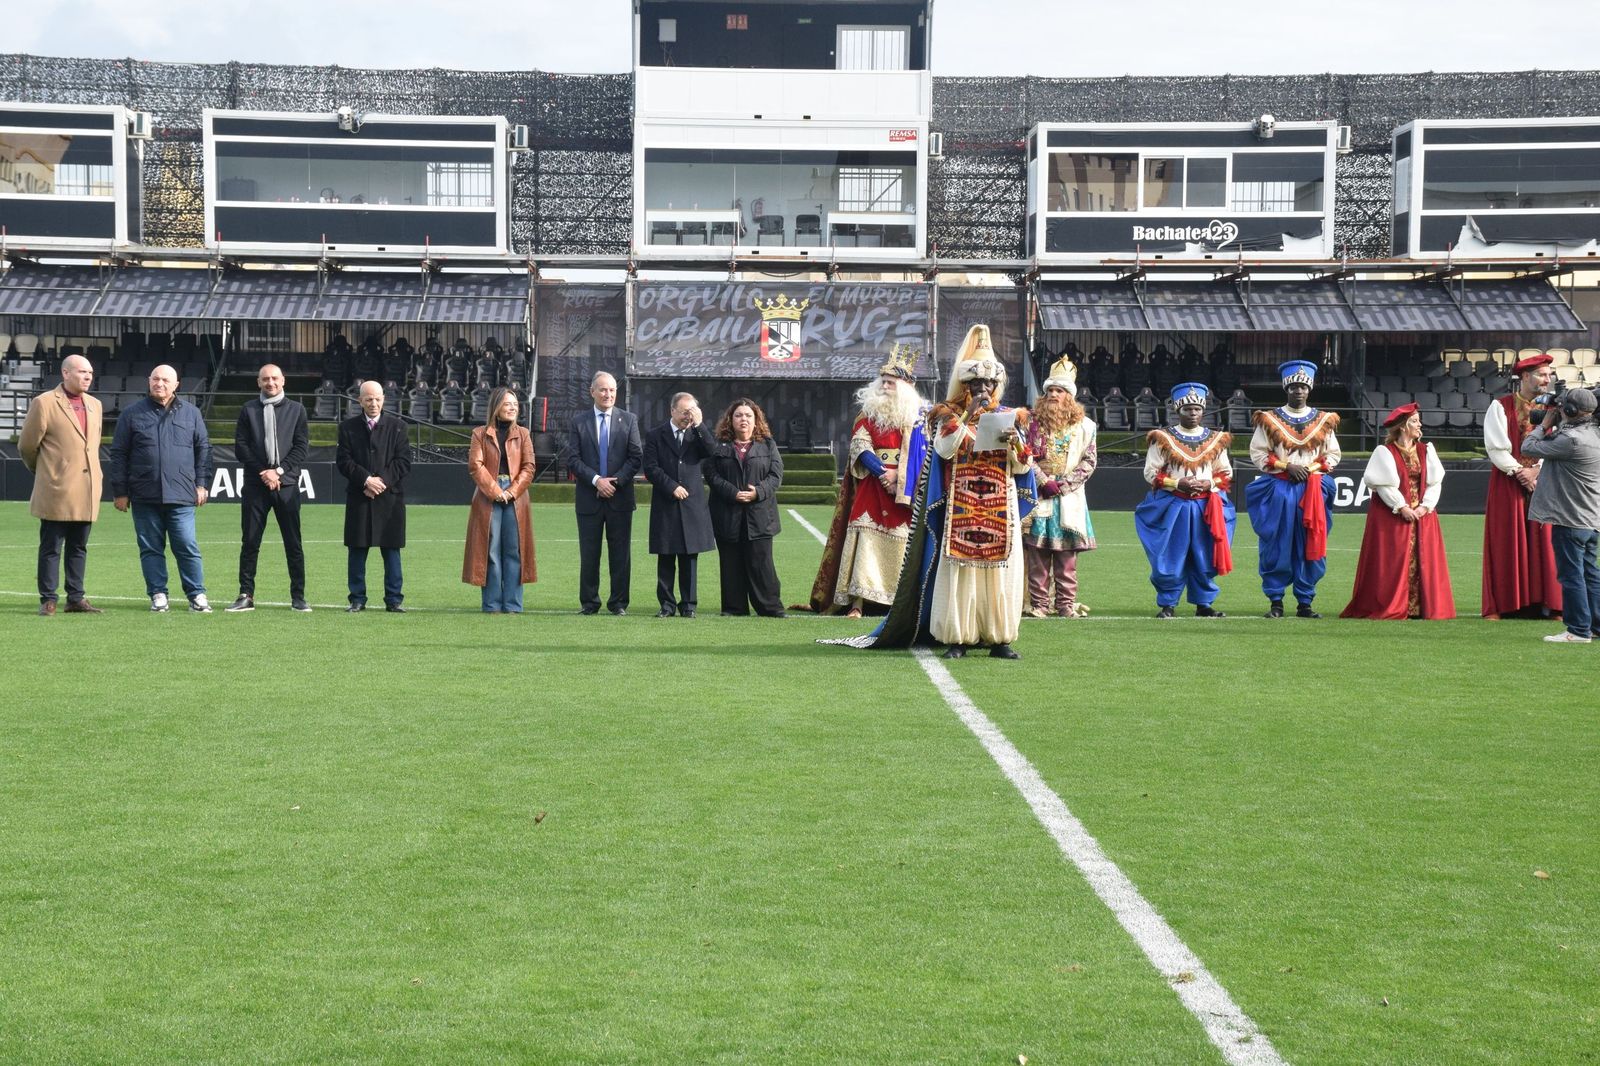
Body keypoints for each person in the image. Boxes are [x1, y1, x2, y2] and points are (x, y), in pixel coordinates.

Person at [808, 346, 928, 617]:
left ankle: (896, 602)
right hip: (873, 486)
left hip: (905, 490)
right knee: (864, 541)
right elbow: (859, 447)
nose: (885, 386)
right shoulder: (867, 414)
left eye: (891, 382)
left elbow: (924, 454)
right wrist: (882, 472)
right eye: (883, 381)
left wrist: (899, 476)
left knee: (901, 544)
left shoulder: (919, 418)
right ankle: (857, 603)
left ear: (906, 387)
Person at [108, 364, 213, 612]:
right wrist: (120, 491)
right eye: (156, 379)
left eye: (166, 380)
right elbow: (119, 454)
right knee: (151, 548)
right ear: (149, 381)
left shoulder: (192, 413)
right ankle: (158, 594)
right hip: (144, 495)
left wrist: (202, 483)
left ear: (176, 385)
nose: (160, 384)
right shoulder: (131, 414)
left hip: (182, 494)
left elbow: (204, 451)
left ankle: (196, 595)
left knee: (187, 545)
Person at [1341, 403, 1455, 620]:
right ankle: (1395, 604)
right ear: (1403, 427)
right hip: (1391, 516)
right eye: (1414, 421)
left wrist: (1425, 506)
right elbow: (1383, 484)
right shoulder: (1385, 452)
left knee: (1423, 559)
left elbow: (1435, 482)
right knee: (1391, 560)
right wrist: (1401, 506)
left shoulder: (1426, 450)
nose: (1419, 424)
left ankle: (1421, 607)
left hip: (1423, 515)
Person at [1245, 359, 1341, 618]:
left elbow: (1332, 455)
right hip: (1280, 487)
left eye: (1303, 386)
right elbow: (1257, 452)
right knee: (1276, 543)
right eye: (1294, 386)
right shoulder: (1269, 419)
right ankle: (1275, 601)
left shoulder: (1324, 421)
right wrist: (1287, 467)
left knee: (1311, 543)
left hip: (1312, 489)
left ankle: (1305, 602)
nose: (1298, 391)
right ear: (1286, 388)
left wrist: (1309, 469)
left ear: (1309, 389)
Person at [1134, 382, 1234, 619]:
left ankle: (1204, 603)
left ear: (1203, 411)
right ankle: (1168, 603)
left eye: (1197, 409)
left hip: (1206, 506)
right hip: (1174, 504)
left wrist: (1209, 483)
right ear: (1177, 410)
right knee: (1171, 554)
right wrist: (1177, 483)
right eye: (1187, 409)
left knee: (1204, 553)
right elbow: (1150, 472)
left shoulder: (1215, 440)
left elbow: (1225, 472)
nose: (1192, 413)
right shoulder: (1163, 438)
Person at [19, 354, 104, 615]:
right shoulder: (44, 403)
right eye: (82, 372)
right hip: (56, 489)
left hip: (87, 489)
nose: (87, 377)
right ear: (65, 373)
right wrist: (45, 471)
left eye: (90, 372)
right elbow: (26, 446)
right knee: (51, 546)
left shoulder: (95, 405)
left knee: (79, 547)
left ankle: (76, 598)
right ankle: (48, 599)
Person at [1481, 352, 1563, 619]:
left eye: (1549, 375)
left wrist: (1537, 469)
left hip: (1543, 480)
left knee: (1547, 542)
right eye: (1541, 374)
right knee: (1506, 539)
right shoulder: (1500, 406)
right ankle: (1506, 604)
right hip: (1508, 482)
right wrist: (1520, 472)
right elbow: (1495, 446)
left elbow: (1556, 444)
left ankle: (1550, 603)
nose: (1546, 379)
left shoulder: (1553, 409)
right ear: (1525, 377)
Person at [228, 363, 311, 612]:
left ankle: (298, 596)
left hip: (286, 485)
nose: (270, 383)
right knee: (250, 541)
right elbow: (241, 447)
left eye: (275, 378)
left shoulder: (297, 410)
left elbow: (301, 447)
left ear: (283, 380)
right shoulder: (248, 410)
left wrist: (279, 471)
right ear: (258, 382)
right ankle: (246, 595)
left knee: (293, 543)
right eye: (265, 379)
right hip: (256, 484)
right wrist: (264, 472)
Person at [1522, 387, 1600, 643]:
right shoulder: (1594, 433)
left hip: (1570, 518)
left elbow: (1529, 447)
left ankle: (1578, 630)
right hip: (1590, 518)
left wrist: (1543, 425)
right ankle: (1596, 625)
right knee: (1589, 573)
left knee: (1571, 575)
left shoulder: (1570, 440)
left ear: (1568, 411)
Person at [1023, 355, 1097, 618]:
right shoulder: (1031, 423)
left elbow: (1089, 461)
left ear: (1070, 396)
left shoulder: (1086, 426)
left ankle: (1065, 604)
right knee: (1038, 556)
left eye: (1059, 390)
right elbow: (1024, 455)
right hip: (1039, 494)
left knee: (1067, 558)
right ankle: (1039, 605)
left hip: (1069, 497)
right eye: (1050, 390)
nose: (1053, 394)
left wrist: (1063, 485)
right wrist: (1044, 481)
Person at [563, 371, 642, 615]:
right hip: (589, 499)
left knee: (620, 555)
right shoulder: (579, 422)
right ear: (592, 392)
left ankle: (618, 603)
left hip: (620, 499)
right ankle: (589, 603)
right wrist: (597, 481)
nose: (608, 394)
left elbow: (636, 456)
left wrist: (614, 483)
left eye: (612, 390)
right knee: (589, 554)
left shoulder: (628, 420)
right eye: (603, 390)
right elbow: (573, 459)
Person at [704, 398, 786, 617]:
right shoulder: (718, 445)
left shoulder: (768, 445)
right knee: (730, 565)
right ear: (730, 420)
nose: (744, 419)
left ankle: (770, 608)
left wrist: (757, 492)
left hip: (760, 517)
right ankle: (734, 608)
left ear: (756, 420)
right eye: (739, 415)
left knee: (762, 565)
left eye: (748, 416)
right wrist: (733, 492)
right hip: (727, 516)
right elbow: (711, 474)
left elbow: (776, 476)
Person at [336, 380, 412, 612]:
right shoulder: (347, 427)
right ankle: (357, 599)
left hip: (390, 499)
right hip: (359, 497)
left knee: (391, 550)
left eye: (377, 398)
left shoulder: (398, 426)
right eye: (368, 399)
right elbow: (344, 461)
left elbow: (403, 462)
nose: (374, 403)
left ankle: (393, 600)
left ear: (384, 399)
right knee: (357, 550)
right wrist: (366, 480)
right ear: (360, 401)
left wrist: (381, 482)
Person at [463, 387, 536, 613]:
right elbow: (476, 466)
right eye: (507, 404)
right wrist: (496, 491)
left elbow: (529, 467)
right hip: (488, 495)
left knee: (515, 550)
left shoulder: (523, 433)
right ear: (496, 408)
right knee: (490, 550)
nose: (513, 408)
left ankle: (513, 604)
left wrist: (512, 491)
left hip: (517, 496)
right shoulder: (480, 433)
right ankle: (492, 604)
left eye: (515, 404)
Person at [642, 391, 715, 617]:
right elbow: (651, 468)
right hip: (666, 502)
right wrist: (671, 486)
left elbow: (712, 452)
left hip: (692, 504)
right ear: (672, 411)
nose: (687, 416)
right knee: (666, 556)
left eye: (692, 411)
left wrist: (700, 426)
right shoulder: (656, 435)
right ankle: (666, 605)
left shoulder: (697, 434)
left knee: (689, 557)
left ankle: (689, 605)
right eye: (684, 412)